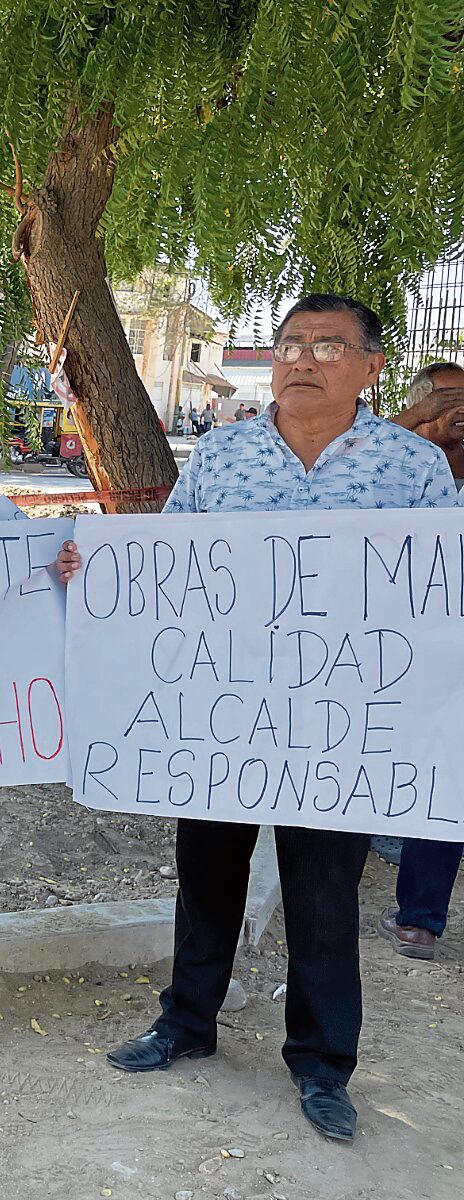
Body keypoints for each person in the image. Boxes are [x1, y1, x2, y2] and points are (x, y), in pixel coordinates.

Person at [56, 293, 458, 1143]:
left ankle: (322, 1064)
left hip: (342, 725)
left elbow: (439, 593)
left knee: (323, 894)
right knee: (206, 874)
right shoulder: (222, 454)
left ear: (372, 368)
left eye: (329, 345)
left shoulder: (411, 468)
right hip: (222, 717)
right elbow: (164, 566)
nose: (304, 359)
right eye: (291, 345)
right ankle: (186, 1022)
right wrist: (93, 565)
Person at [375, 360, 464, 958]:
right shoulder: (397, 461)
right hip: (396, 647)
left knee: (450, 771)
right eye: (452, 403)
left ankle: (419, 920)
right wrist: (418, 429)